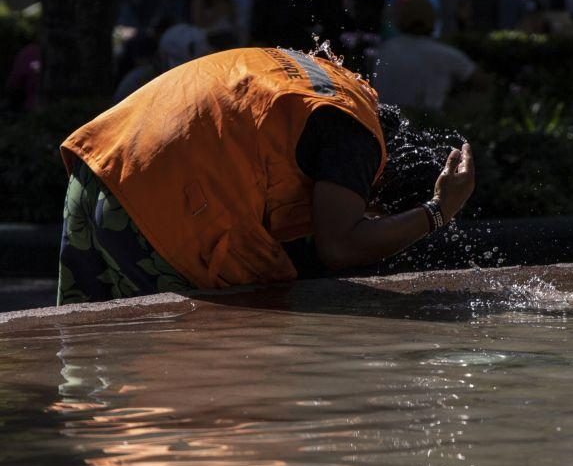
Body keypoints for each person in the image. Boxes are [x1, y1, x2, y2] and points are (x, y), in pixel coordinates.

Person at [57, 47, 475, 305]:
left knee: (83, 363)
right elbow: (339, 246)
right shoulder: (356, 141)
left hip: (103, 165)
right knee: (186, 384)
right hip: (157, 215)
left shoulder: (332, 83)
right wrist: (436, 213)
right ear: (379, 191)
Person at [373, 0, 489, 114]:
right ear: (432, 21)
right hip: (427, 123)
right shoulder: (444, 54)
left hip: (384, 121)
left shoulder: (384, 49)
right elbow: (482, 82)